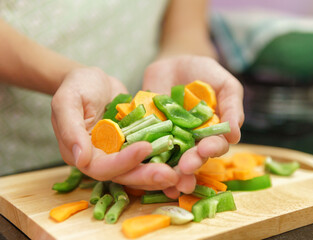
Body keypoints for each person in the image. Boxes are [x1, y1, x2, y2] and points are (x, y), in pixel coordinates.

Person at [0, 0, 244, 198]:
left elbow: (187, 29)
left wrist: (182, 60)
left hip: (118, 113)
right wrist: (66, 75)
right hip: (13, 157)